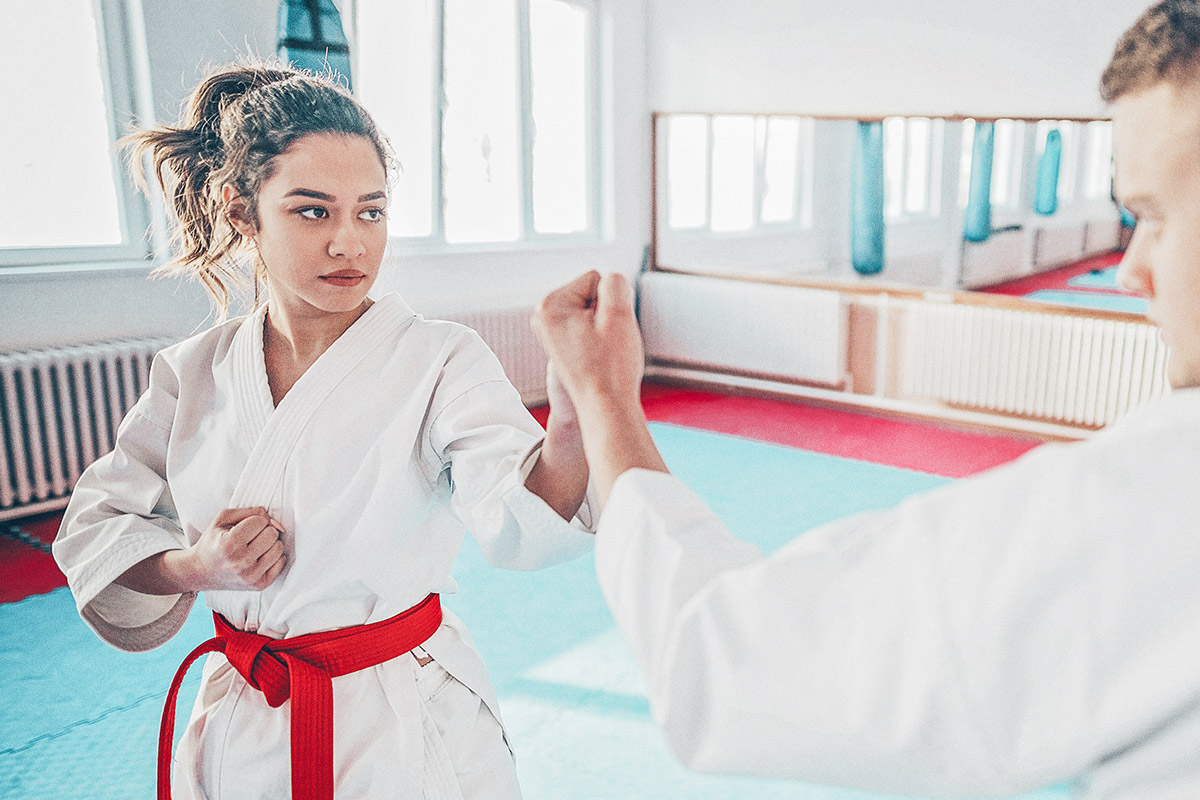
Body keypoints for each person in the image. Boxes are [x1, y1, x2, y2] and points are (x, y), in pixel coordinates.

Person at [531, 2, 1200, 797]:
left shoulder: (1157, 498)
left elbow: (721, 663)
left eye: (1157, 216)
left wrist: (604, 396)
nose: (1130, 269)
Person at [52, 63, 595, 800]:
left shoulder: (440, 359)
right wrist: (194, 568)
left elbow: (518, 513)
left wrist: (572, 416)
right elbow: (97, 529)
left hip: (404, 721)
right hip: (248, 717)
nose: (351, 243)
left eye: (371, 211)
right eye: (314, 211)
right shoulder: (194, 371)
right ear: (241, 212)